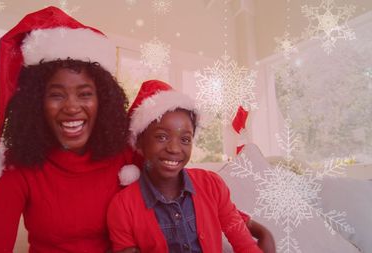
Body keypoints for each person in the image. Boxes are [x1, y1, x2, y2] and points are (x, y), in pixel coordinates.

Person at [0, 6, 137, 253]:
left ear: (103, 100)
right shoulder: (17, 167)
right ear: (36, 102)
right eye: (56, 95)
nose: (71, 107)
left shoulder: (123, 157)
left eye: (85, 94)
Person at [107, 80, 273, 253]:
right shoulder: (122, 206)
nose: (174, 148)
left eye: (185, 139)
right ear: (139, 144)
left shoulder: (212, 184)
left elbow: (244, 243)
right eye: (162, 137)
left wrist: (263, 235)